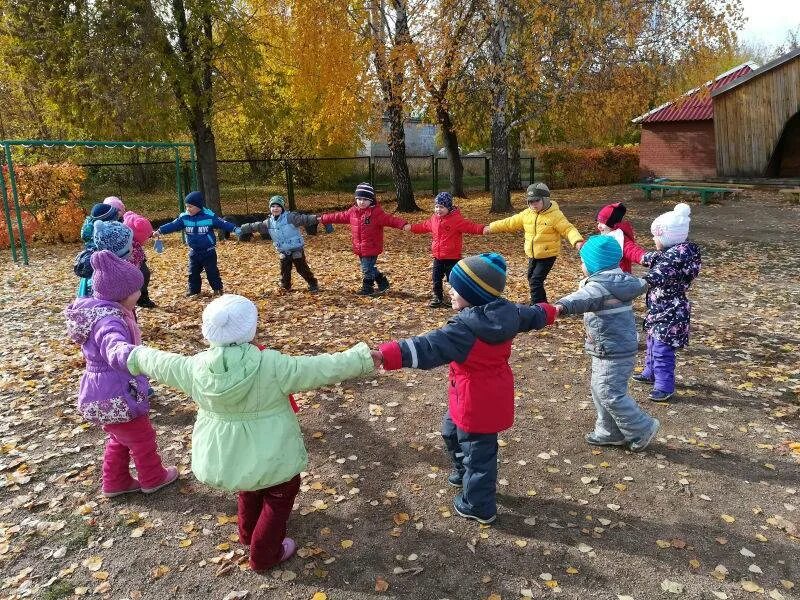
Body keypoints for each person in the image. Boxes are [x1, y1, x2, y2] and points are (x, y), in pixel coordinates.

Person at [125, 294, 380, 571]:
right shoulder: (272, 364)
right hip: (274, 455)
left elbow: (160, 362)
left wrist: (132, 354)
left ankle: (248, 534)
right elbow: (322, 367)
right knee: (279, 495)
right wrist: (363, 358)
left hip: (229, 456)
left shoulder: (194, 367)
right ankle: (264, 555)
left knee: (248, 488)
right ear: (251, 329)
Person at [377, 253, 557, 524]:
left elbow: (428, 346)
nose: (450, 290)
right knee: (450, 431)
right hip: (476, 396)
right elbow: (533, 315)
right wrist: (552, 310)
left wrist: (386, 355)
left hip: (475, 402)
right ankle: (463, 470)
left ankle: (478, 505)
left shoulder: (464, 330)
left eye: (456, 287)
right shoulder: (508, 312)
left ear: (473, 294)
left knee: (480, 456)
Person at [64, 250, 177, 497]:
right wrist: (131, 355)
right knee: (142, 437)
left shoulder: (101, 312)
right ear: (123, 294)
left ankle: (116, 481)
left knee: (120, 437)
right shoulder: (109, 320)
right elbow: (112, 344)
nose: (140, 293)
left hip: (101, 389)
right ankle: (153, 477)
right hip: (118, 389)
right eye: (138, 290)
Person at [554, 235, 660, 451]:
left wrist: (560, 306)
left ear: (595, 264)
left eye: (584, 261)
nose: (582, 265)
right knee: (600, 389)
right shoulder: (618, 281)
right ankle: (609, 431)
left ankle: (642, 427)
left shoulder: (601, 286)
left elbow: (581, 299)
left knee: (610, 393)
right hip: (611, 347)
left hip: (612, 348)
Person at [633, 203, 701, 402]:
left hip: (670, 313)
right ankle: (650, 372)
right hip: (659, 310)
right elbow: (646, 257)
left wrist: (628, 285)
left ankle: (664, 386)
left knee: (662, 349)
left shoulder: (671, 263)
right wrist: (625, 245)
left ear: (666, 237)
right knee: (652, 342)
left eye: (656, 236)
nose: (654, 239)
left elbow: (651, 278)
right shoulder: (669, 255)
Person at [485, 182, 584, 303]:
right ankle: (542, 304)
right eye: (530, 202)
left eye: (537, 201)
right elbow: (510, 222)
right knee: (531, 278)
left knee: (535, 280)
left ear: (546, 200)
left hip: (548, 254)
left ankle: (538, 307)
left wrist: (577, 240)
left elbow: (568, 229)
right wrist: (491, 227)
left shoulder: (555, 215)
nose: (533, 204)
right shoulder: (527, 214)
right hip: (533, 254)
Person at [318, 182, 407, 296]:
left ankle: (367, 288)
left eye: (365, 199)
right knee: (369, 267)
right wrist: (324, 218)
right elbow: (339, 216)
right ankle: (382, 282)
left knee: (366, 269)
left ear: (371, 200)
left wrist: (403, 224)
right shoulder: (353, 212)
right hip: (359, 246)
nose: (362, 202)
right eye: (359, 199)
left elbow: (390, 220)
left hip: (372, 246)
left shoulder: (376, 213)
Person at [403, 192, 485, 307]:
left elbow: (470, 226)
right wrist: (411, 228)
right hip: (438, 257)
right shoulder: (434, 219)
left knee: (453, 280)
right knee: (436, 278)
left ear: (448, 207)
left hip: (452, 258)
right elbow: (423, 226)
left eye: (441, 207)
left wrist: (482, 229)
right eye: (436, 206)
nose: (438, 209)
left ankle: (459, 298)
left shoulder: (456, 220)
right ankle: (438, 297)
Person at [153, 191, 241, 297]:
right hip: (194, 252)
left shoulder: (209, 216)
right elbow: (173, 225)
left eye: (190, 207)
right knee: (193, 272)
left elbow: (222, 223)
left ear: (198, 206)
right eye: (186, 207)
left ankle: (217, 289)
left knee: (212, 272)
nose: (188, 209)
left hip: (208, 251)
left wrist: (234, 228)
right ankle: (194, 291)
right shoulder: (184, 218)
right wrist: (160, 230)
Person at [239, 195, 321, 292]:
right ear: (270, 208)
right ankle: (285, 285)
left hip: (296, 248)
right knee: (284, 269)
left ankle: (313, 283)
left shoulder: (291, 217)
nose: (275, 209)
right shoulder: (269, 222)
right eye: (273, 206)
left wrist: (317, 218)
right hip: (283, 250)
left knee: (302, 268)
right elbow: (256, 226)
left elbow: (305, 219)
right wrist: (242, 228)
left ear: (282, 208)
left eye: (278, 206)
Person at [74, 220, 135, 298]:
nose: (132, 246)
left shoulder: (99, 266)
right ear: (122, 251)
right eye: (130, 244)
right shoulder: (112, 278)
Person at [595, 202, 647, 273]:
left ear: (612, 224)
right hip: (605, 278)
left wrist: (644, 258)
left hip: (621, 279)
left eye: (602, 223)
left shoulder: (619, 238)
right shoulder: (606, 235)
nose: (599, 226)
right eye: (598, 222)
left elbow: (631, 250)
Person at [122, 211, 156, 308]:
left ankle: (142, 298)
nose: (147, 239)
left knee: (144, 276)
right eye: (147, 237)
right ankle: (140, 299)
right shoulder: (129, 245)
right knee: (141, 279)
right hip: (133, 269)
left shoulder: (133, 240)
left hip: (139, 263)